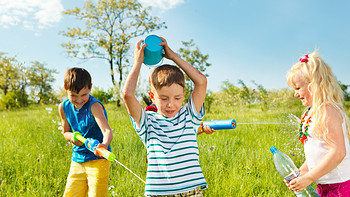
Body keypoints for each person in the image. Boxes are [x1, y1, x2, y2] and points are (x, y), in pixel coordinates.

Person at [122, 37, 213, 196]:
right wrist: (138, 62)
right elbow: (127, 95)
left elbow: (201, 81)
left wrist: (173, 56)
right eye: (164, 98)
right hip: (160, 194)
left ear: (184, 95)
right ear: (152, 96)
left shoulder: (189, 116)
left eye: (177, 98)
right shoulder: (147, 122)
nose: (171, 104)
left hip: (192, 192)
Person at [286, 52, 350, 196]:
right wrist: (301, 173)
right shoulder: (310, 113)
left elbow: (338, 152)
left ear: (313, 86)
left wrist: (309, 178)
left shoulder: (327, 111)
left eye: (297, 88)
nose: (295, 94)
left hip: (340, 187)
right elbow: (318, 155)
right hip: (325, 186)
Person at [58, 67, 113, 197]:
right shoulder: (63, 107)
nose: (79, 100)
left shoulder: (94, 106)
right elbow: (65, 132)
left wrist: (104, 145)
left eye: (83, 95)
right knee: (71, 194)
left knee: (96, 194)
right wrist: (71, 137)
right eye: (73, 96)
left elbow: (107, 131)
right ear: (65, 89)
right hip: (77, 159)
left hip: (98, 159)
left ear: (90, 88)